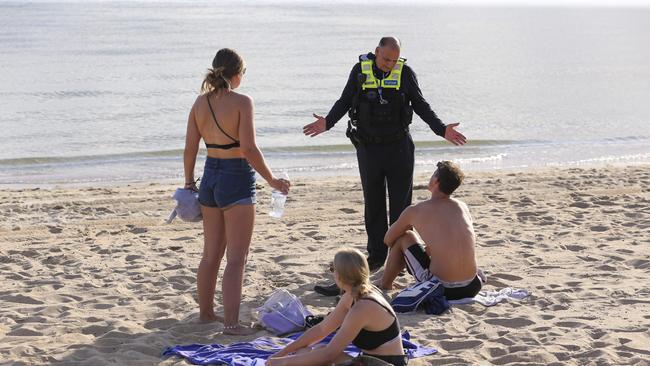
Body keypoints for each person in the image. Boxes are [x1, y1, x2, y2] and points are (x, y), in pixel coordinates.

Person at [305, 37, 466, 295]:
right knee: (374, 203)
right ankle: (377, 256)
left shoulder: (405, 73)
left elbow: (421, 105)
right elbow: (345, 101)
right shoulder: (360, 71)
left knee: (401, 209)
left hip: (399, 148)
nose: (390, 64)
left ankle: (397, 257)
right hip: (368, 148)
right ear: (376, 52)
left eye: (393, 60)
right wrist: (328, 122)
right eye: (385, 59)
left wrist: (441, 129)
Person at [184, 48, 290, 335]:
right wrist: (271, 180)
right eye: (243, 72)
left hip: (210, 177)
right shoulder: (243, 101)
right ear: (236, 75)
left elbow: (191, 147)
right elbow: (249, 148)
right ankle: (231, 323)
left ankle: (206, 314)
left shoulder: (200, 103)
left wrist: (188, 182)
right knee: (236, 257)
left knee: (210, 254)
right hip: (236, 178)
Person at [267, 248, 408, 366]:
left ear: (340, 275)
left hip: (387, 364)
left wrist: (281, 362)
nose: (332, 273)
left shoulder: (363, 306)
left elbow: (329, 354)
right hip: (371, 360)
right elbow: (322, 329)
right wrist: (282, 353)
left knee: (311, 357)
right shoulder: (354, 294)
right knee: (306, 352)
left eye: (332, 269)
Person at [378, 161, 482, 300]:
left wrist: (413, 250)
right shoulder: (462, 206)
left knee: (405, 236)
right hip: (472, 286)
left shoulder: (415, 211)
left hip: (442, 288)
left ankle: (385, 284)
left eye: (433, 174)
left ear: (436, 181)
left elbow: (388, 239)